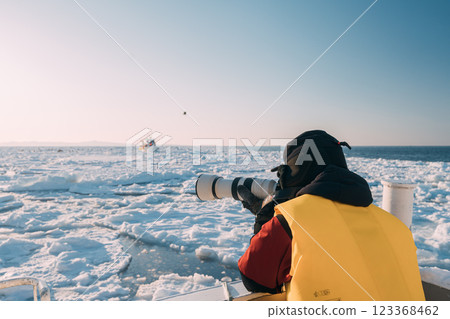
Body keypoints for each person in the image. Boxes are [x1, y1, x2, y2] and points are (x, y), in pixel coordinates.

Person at [237, 130, 425, 301]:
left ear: (293, 173)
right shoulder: (396, 226)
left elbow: (254, 278)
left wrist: (265, 220)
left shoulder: (291, 220)